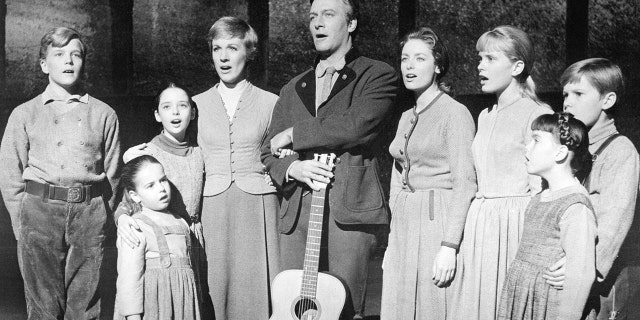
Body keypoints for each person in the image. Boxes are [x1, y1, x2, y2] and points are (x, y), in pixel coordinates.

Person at [261, 0, 398, 318]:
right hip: (297, 216)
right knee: (292, 308)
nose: (317, 23)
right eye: (312, 17)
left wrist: (294, 134)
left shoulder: (377, 75)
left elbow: (356, 125)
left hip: (348, 214)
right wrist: (294, 167)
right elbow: (269, 151)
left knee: (345, 309)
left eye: (328, 14)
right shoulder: (293, 88)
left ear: (351, 24)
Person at [0, 27, 120, 319]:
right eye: (59, 55)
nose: (68, 61)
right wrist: (23, 222)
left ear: (83, 63)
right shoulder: (25, 113)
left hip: (89, 215)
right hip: (39, 214)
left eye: (75, 55)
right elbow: (10, 173)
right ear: (44, 65)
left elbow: (114, 175)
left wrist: (100, 217)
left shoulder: (104, 114)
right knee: (43, 306)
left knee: (86, 303)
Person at [452, 25, 552, 319]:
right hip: (480, 225)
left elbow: (542, 190)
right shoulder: (485, 116)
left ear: (517, 66)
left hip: (514, 228)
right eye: (479, 58)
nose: (480, 66)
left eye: (490, 59)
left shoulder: (535, 114)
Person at [380, 27, 476, 319]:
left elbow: (465, 183)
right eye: (405, 58)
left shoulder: (454, 113)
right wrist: (392, 239)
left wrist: (449, 245)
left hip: (438, 220)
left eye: (420, 59)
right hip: (405, 223)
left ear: (437, 65)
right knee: (400, 303)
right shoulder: (405, 116)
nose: (409, 66)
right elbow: (398, 178)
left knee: (432, 304)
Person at [542, 58, 640, 320]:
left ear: (607, 101)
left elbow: (615, 221)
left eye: (578, 94)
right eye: (565, 94)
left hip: (597, 283)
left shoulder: (620, 151)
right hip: (559, 271)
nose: (567, 102)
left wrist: (585, 266)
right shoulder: (569, 148)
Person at [115, 83, 207, 311]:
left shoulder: (199, 152)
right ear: (157, 115)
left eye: (182, 106)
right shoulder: (147, 153)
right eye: (167, 107)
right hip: (160, 245)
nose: (175, 112)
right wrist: (122, 218)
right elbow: (127, 199)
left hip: (191, 240)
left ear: (193, 112)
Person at [498, 113, 596, 319]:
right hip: (524, 299)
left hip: (550, 305)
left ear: (560, 153)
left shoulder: (575, 206)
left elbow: (581, 276)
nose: (527, 147)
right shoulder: (539, 198)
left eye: (536, 140)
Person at [113, 155, 201, 320]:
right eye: (150, 185)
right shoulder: (136, 226)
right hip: (155, 308)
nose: (161, 188)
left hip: (184, 306)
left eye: (163, 180)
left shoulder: (181, 222)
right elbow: (129, 281)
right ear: (135, 195)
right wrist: (133, 316)